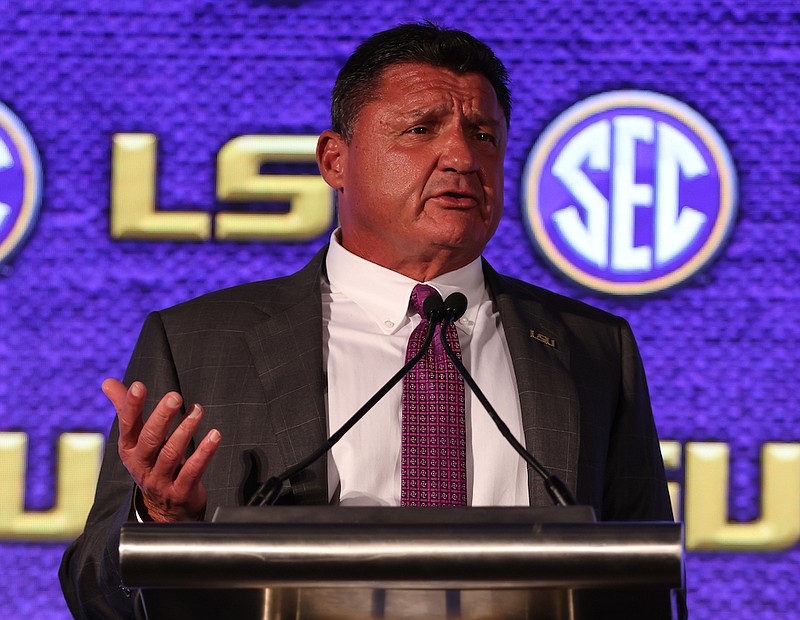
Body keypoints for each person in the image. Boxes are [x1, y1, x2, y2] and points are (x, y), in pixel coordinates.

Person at [60, 22, 673, 618]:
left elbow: (650, 588)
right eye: (419, 129)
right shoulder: (197, 343)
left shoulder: (591, 348)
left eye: (483, 135)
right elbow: (95, 592)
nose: (460, 155)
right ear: (334, 160)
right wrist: (160, 524)